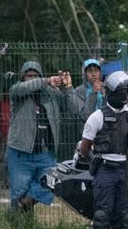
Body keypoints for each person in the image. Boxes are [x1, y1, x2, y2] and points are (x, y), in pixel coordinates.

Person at [76, 72, 128, 229]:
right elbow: (85, 147)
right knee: (102, 215)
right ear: (110, 93)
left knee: (127, 217)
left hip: (126, 172)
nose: (125, 95)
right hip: (105, 170)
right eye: (121, 91)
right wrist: (94, 162)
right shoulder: (97, 116)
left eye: (127, 91)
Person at [6, 61, 77, 212]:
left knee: (52, 182)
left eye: (35, 76)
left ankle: (26, 203)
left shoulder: (50, 93)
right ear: (22, 77)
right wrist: (45, 80)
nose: (31, 79)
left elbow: (73, 109)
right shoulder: (17, 90)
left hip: (45, 152)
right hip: (20, 151)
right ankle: (18, 226)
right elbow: (23, 88)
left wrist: (67, 87)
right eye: (28, 76)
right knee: (18, 191)